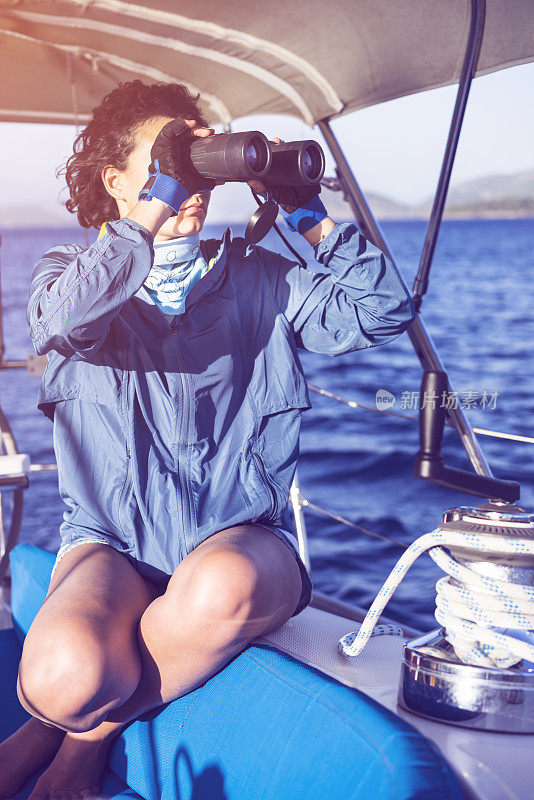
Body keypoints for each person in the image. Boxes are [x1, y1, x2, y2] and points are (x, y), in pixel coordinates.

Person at [0, 80, 415, 799]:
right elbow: (68, 324)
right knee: (62, 674)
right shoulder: (66, 277)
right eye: (170, 157)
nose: (192, 178)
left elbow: (383, 312)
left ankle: (73, 750)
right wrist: (160, 200)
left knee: (222, 584)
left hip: (239, 538)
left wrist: (309, 214)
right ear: (115, 180)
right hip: (114, 543)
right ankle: (53, 720)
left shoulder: (262, 282)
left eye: (201, 160)